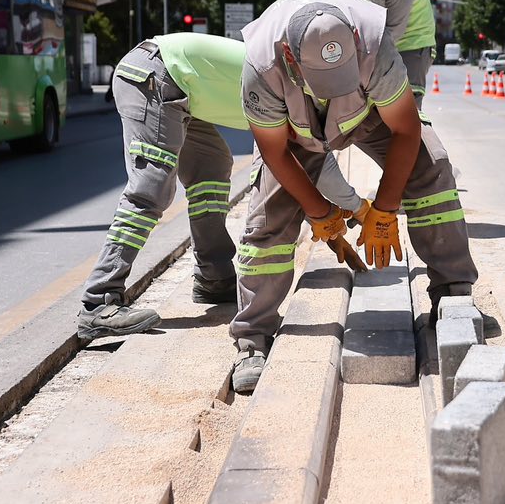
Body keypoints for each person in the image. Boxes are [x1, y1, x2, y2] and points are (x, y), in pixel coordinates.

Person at [230, 0, 478, 393]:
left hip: (366, 116)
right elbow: (274, 151)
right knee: (270, 213)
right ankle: (252, 339)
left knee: (431, 166)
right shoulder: (262, 65)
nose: (333, 87)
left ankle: (452, 292)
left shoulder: (374, 44)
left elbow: (405, 128)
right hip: (296, 133)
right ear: (290, 57)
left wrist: (384, 207)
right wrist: (318, 211)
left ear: (355, 42)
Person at [77, 33, 361, 343]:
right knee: (151, 188)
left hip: (182, 92)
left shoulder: (301, 87)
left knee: (212, 167)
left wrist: (329, 223)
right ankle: (99, 300)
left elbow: (303, 170)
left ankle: (213, 277)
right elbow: (317, 168)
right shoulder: (295, 91)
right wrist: (360, 209)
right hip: (156, 76)